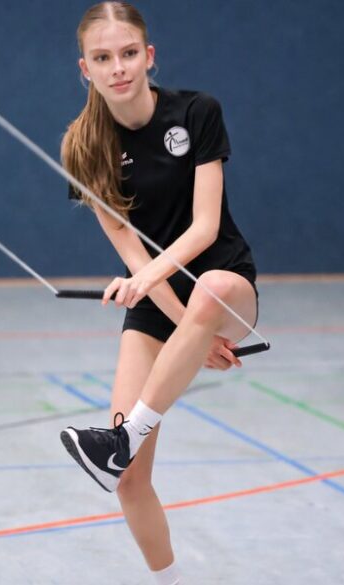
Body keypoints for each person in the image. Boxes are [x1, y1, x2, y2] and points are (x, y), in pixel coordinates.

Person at [58, 3, 260, 583]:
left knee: (209, 290)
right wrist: (183, 326)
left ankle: (122, 438)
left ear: (148, 56)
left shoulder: (197, 113)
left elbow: (204, 228)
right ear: (85, 69)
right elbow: (131, 251)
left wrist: (166, 295)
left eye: (128, 54)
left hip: (225, 285)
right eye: (102, 58)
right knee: (128, 481)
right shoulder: (82, 148)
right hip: (160, 305)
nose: (118, 68)